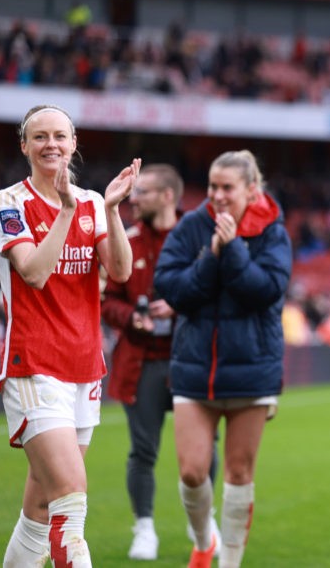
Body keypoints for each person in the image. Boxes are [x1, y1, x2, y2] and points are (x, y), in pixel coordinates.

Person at [0, 104, 139, 567]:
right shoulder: (8, 203)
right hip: (34, 365)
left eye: (60, 136)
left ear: (73, 143)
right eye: (40, 137)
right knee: (71, 498)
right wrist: (65, 212)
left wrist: (110, 211)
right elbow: (32, 272)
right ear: (25, 146)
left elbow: (119, 271)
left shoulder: (94, 202)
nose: (50, 144)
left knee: (39, 509)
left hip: (84, 367)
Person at [154, 150, 292, 568]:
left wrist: (231, 250)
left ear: (251, 189)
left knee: (237, 475)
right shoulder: (193, 225)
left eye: (226, 187)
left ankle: (230, 562)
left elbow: (265, 291)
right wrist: (211, 255)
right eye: (212, 186)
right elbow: (172, 288)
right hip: (194, 368)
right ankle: (202, 541)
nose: (216, 195)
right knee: (193, 472)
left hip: (253, 371)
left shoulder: (273, 231)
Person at [101, 163, 221, 561]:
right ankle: (144, 528)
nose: (134, 199)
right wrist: (129, 317)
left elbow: (219, 288)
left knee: (205, 449)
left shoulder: (202, 236)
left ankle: (202, 519)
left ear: (168, 196)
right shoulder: (127, 239)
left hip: (192, 357)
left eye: (144, 192)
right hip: (141, 361)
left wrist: (180, 303)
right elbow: (106, 299)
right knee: (143, 451)